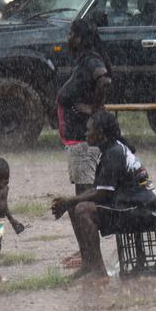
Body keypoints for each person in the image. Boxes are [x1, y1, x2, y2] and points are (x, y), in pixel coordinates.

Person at [51, 111, 156, 279]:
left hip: (146, 211)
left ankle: (100, 273)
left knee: (82, 209)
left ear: (101, 134)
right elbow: (97, 190)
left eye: (89, 130)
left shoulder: (114, 153)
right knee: (76, 206)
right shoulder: (110, 150)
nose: (85, 133)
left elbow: (102, 194)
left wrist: (71, 200)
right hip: (136, 207)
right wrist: (70, 202)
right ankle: (89, 264)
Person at [56, 18, 112, 268]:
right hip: (77, 142)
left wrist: (95, 109)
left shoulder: (91, 60)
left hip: (83, 142)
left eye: (71, 34)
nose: (68, 38)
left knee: (81, 201)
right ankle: (85, 252)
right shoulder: (83, 60)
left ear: (79, 38)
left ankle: (88, 256)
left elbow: (104, 79)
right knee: (79, 199)